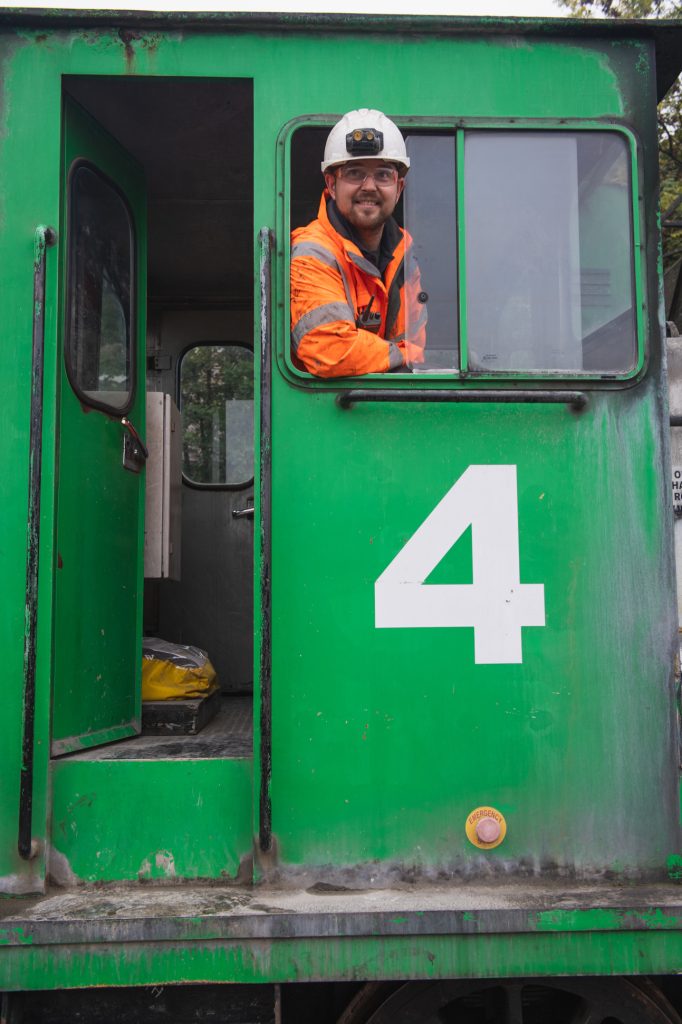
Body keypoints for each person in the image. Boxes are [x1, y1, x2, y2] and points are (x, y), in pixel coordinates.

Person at [290, 109, 427, 377]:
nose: (369, 186)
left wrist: (403, 355)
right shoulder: (312, 253)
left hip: (385, 412)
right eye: (354, 173)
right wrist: (401, 354)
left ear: (399, 188)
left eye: (383, 175)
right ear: (331, 184)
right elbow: (330, 350)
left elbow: (418, 344)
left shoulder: (405, 258)